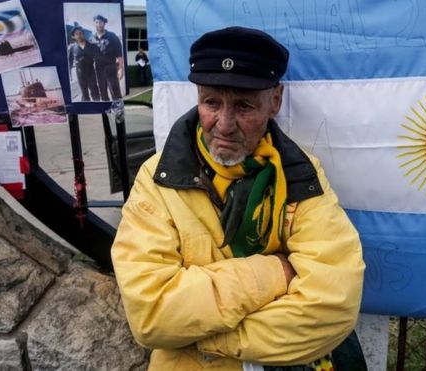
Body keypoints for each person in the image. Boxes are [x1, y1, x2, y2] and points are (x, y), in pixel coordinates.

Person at [113, 27, 367, 370]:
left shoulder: (300, 174)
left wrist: (206, 341)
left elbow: (333, 303)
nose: (225, 124)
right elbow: (152, 313)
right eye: (211, 102)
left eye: (244, 105)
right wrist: (275, 270)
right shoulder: (157, 179)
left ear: (274, 101)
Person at [92, 14, 123, 101]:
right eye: (96, 22)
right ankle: (105, 114)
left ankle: (119, 113)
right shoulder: (92, 39)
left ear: (104, 23)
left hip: (111, 68)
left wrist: (121, 69)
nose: (99, 24)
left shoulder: (112, 36)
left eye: (101, 22)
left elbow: (119, 55)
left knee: (115, 92)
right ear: (94, 24)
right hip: (99, 69)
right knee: (103, 93)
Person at [68, 26, 101, 101]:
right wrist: (69, 75)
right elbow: (69, 63)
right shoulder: (72, 48)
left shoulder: (92, 46)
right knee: (84, 93)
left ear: (83, 34)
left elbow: (98, 59)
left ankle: (99, 108)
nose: (79, 35)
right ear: (73, 36)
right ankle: (86, 108)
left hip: (91, 72)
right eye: (76, 34)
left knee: (95, 91)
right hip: (80, 74)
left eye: (80, 33)